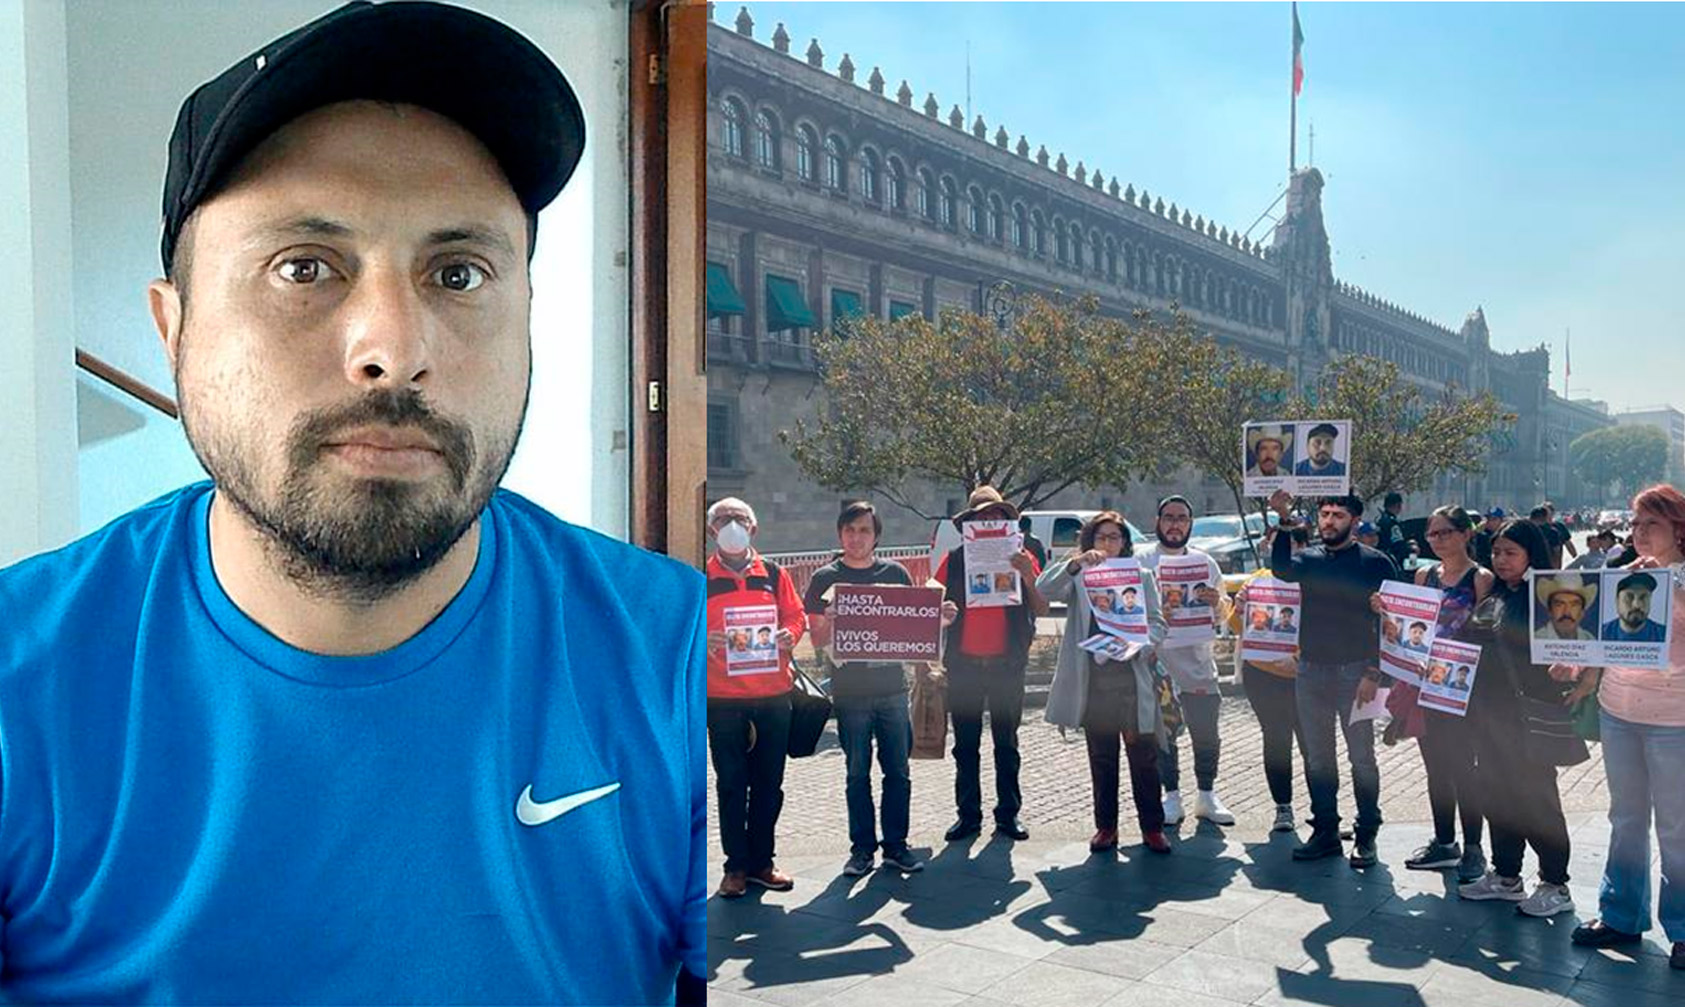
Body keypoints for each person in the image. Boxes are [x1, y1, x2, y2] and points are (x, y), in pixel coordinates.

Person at [0, 4, 706, 1001]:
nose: (393, 345)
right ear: (175, 329)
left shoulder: (675, 655)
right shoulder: (18, 681)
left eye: (458, 272)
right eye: (304, 266)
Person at [1566, 485, 1685, 970]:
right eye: (1634, 524)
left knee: (1677, 827)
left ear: (1678, 528)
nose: (1637, 533)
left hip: (1674, 718)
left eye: (1649, 524)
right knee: (1626, 818)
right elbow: (1602, 639)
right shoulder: (1618, 575)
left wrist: (1671, 591)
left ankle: (1681, 928)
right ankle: (1620, 915)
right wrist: (1572, 664)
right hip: (1619, 711)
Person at [805, 501, 942, 877]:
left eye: (864, 530)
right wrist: (830, 622)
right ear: (839, 534)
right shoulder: (824, 579)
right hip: (850, 692)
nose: (856, 537)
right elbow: (815, 637)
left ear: (876, 536)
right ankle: (862, 850)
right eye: (850, 530)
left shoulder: (896, 574)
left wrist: (939, 619)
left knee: (897, 771)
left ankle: (896, 846)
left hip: (892, 690)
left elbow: (913, 627)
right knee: (856, 773)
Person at [1457, 520, 1584, 918]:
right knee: (1497, 795)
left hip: (1529, 715)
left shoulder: (1548, 598)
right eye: (1496, 553)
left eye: (1511, 553)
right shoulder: (1494, 596)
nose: (1501, 560)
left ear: (1532, 555)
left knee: (1536, 800)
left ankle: (1555, 884)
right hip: (1488, 716)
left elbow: (1577, 644)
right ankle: (1506, 875)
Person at [1267, 491, 1399, 867]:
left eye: (1338, 515)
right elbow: (1280, 569)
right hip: (1310, 671)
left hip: (1359, 673)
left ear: (1354, 521)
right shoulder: (1309, 559)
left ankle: (1367, 834)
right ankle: (1325, 830)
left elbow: (1393, 622)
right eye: (1325, 514)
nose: (1329, 521)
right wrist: (1283, 517)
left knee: (1362, 757)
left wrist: (1376, 672)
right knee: (1319, 759)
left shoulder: (1377, 563)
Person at [1039, 513, 1173, 854]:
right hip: (1093, 679)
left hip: (1131, 677)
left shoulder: (1140, 576)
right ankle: (1106, 828)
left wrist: (1142, 647)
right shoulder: (1081, 576)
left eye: (1114, 538)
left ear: (1124, 543)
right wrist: (1075, 564)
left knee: (1143, 756)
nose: (1108, 544)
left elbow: (1157, 623)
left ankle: (1152, 827)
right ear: (1090, 542)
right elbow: (1043, 590)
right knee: (1102, 756)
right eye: (1101, 538)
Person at [934, 487, 1049, 842]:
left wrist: (1027, 576)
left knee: (1007, 743)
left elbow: (1042, 608)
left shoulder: (1024, 555)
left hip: (1006, 663)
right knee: (965, 745)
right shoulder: (953, 560)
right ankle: (968, 816)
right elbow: (932, 609)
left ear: (1005, 520)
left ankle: (1008, 814)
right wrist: (942, 613)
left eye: (995, 516)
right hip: (964, 664)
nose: (988, 522)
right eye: (980, 517)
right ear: (969, 523)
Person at [1385, 505, 1493, 883]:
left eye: (1446, 532)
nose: (1439, 540)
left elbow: (1486, 632)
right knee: (1435, 767)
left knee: (1464, 767)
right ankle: (1445, 842)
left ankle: (1475, 848)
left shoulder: (1480, 579)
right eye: (1433, 534)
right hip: (1423, 684)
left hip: (1461, 686)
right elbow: (1414, 624)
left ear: (1466, 534)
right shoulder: (1423, 574)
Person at [706, 498, 807, 900]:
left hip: (772, 695)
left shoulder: (775, 574)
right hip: (723, 698)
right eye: (724, 519)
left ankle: (762, 863)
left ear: (754, 529)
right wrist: (703, 641)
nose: (732, 524)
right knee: (731, 783)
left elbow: (796, 616)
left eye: (740, 519)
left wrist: (790, 636)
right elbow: (683, 633)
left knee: (769, 784)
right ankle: (735, 868)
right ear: (712, 530)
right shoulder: (700, 578)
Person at [1141, 496, 1235, 827]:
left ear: (1190, 524)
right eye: (1169, 517)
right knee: (1165, 734)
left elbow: (1224, 611)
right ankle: (1172, 796)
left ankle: (1207, 795)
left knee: (1206, 732)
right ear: (1158, 521)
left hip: (1198, 662)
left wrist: (1216, 602)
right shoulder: (1141, 561)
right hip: (1158, 664)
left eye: (1182, 518)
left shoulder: (1206, 562)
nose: (1175, 524)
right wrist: (1155, 613)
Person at [1231, 524, 1311, 833]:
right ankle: (1283, 808)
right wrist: (1240, 608)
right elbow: (1240, 628)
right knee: (1276, 739)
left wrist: (1301, 660)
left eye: (1288, 545)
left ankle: (1323, 809)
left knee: (1312, 743)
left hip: (1305, 674)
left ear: (1303, 546)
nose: (1280, 551)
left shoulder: (1313, 580)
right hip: (1263, 675)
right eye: (1274, 544)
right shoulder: (1257, 581)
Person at [1601, 571, 1668, 641]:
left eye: (1643, 597)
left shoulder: (1665, 635)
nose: (1637, 605)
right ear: (1617, 601)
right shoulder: (1600, 635)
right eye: (1629, 597)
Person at [1533, 574, 1597, 640]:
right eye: (1559, 605)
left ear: (1582, 613)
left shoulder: (1590, 639)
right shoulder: (1536, 639)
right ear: (1549, 611)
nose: (1567, 612)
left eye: (1574, 605)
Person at [1375, 492, 1416, 569]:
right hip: (1392, 560)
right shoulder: (1393, 523)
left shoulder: (1379, 519)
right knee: (1413, 548)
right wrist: (1410, 549)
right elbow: (1398, 544)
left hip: (1382, 556)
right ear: (1398, 505)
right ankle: (1412, 569)